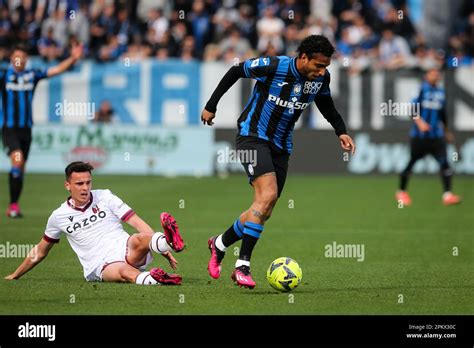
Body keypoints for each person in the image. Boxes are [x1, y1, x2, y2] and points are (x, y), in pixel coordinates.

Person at [201, 35, 356, 289]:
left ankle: (219, 244)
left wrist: (341, 130)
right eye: (318, 65)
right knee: (267, 194)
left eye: (326, 67)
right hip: (252, 137)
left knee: (265, 208)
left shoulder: (320, 80)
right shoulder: (274, 66)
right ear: (303, 57)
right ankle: (242, 266)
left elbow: (326, 104)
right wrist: (211, 105)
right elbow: (236, 70)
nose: (322, 71)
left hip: (282, 145)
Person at [4, 161, 185, 285]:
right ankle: (157, 279)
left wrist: (162, 250)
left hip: (127, 249)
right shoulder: (58, 217)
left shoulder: (105, 196)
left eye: (88, 183)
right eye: (79, 184)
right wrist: (15, 274)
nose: (85, 188)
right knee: (124, 271)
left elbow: (136, 222)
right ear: (67, 185)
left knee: (138, 239)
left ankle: (166, 242)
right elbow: (41, 251)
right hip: (100, 266)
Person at [1, 43, 83, 218]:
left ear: (26, 60)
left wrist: (73, 58)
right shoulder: (3, 75)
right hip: (9, 128)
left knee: (21, 167)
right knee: (17, 160)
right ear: (11, 59)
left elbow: (56, 70)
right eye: (16, 57)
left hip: (26, 130)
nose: (19, 61)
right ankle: (13, 205)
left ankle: (13, 205)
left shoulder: (32, 75)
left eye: (22, 58)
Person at [396, 68, 461, 206]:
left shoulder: (441, 92)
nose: (435, 76)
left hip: (436, 136)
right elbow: (412, 109)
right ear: (427, 75)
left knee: (445, 164)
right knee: (411, 162)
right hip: (420, 136)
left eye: (437, 74)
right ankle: (401, 192)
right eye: (432, 73)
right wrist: (420, 123)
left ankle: (447, 195)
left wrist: (447, 131)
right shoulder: (420, 89)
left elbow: (442, 114)